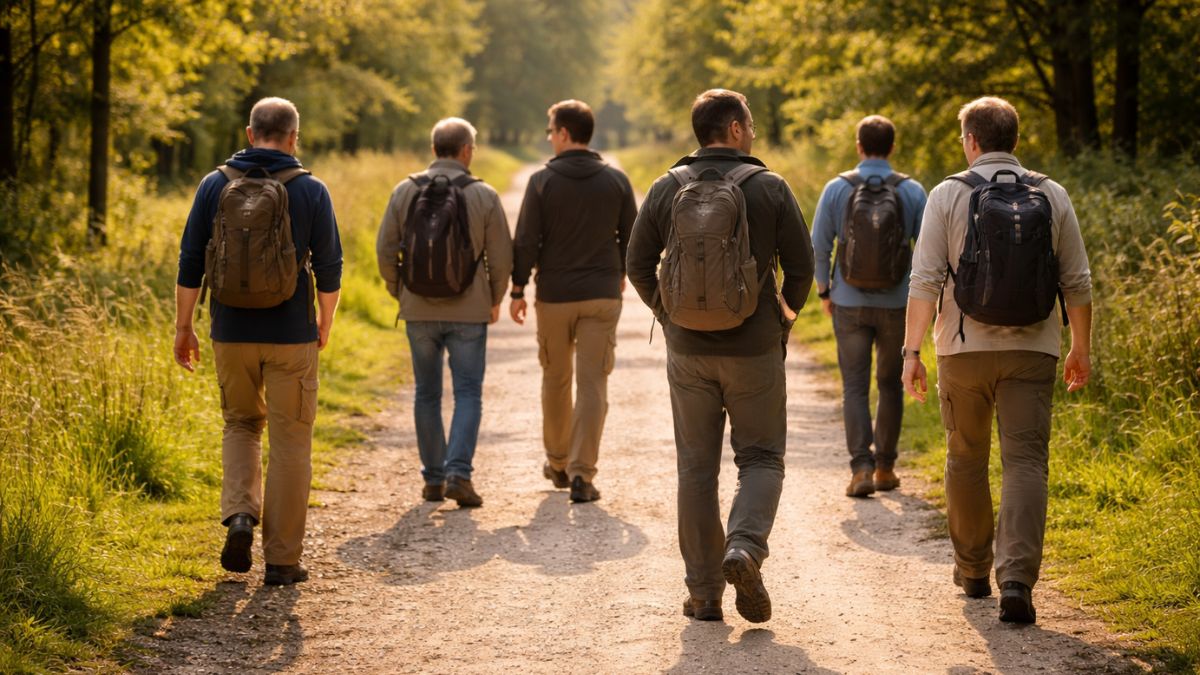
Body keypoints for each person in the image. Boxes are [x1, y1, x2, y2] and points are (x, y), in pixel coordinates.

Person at [902, 96, 1092, 623]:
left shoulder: (947, 194)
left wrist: (911, 352)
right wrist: (1080, 346)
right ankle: (1017, 582)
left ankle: (972, 570)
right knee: (1026, 462)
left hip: (963, 351)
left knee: (965, 458)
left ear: (971, 141)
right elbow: (1077, 280)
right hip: (1034, 349)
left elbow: (925, 281)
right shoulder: (1052, 193)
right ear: (1015, 139)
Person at [627, 89, 814, 623]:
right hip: (754, 348)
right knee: (760, 457)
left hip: (687, 351)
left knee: (695, 469)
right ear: (734, 129)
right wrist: (784, 317)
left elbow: (637, 264)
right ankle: (746, 548)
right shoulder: (770, 186)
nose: (752, 133)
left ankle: (705, 593)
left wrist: (668, 315)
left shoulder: (667, 186)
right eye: (749, 125)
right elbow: (802, 268)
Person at [174, 96, 343, 586]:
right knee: (291, 441)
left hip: (230, 331)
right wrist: (323, 320)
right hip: (291, 335)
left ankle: (241, 515)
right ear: (294, 136)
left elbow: (190, 262)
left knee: (241, 424)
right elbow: (330, 268)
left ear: (250, 134)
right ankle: (283, 561)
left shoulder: (213, 184)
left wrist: (184, 327)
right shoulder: (310, 189)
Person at [376, 117, 512, 508]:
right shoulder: (483, 195)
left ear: (434, 149)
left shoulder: (405, 190)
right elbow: (501, 255)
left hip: (417, 308)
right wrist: (495, 297)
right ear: (467, 151)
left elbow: (385, 249)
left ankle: (433, 479)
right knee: (468, 391)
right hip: (469, 310)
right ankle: (458, 473)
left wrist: (398, 289)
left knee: (426, 392)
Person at [510, 99, 637, 503]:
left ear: (564, 133)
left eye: (551, 131)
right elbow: (632, 239)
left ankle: (559, 462)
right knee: (594, 382)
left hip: (555, 297)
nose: (550, 139)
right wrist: (620, 274)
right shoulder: (616, 180)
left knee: (556, 378)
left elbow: (527, 240)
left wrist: (517, 289)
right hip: (601, 296)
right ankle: (584, 473)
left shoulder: (541, 181)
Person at [811, 115, 927, 498]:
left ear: (859, 146)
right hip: (898, 304)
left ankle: (860, 468)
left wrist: (826, 291)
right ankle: (885, 468)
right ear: (892, 147)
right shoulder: (912, 191)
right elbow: (927, 253)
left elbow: (819, 245)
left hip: (849, 301)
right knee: (892, 386)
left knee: (855, 387)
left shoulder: (836, 188)